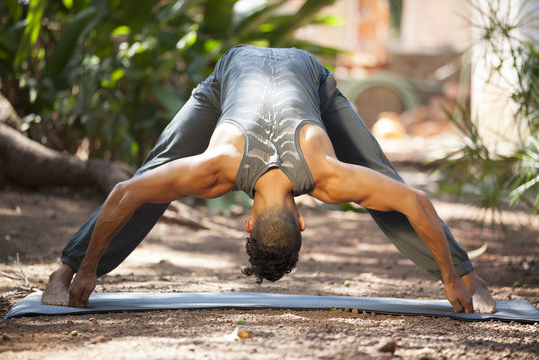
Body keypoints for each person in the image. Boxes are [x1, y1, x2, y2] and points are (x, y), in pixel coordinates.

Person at [42, 45, 496, 313]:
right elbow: (414, 200)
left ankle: (65, 274)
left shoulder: (246, 171)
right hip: (241, 74)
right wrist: (450, 281)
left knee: (150, 179)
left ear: (301, 223)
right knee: (384, 184)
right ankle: (470, 281)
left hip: (301, 75)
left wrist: (86, 270)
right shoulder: (309, 175)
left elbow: (126, 192)